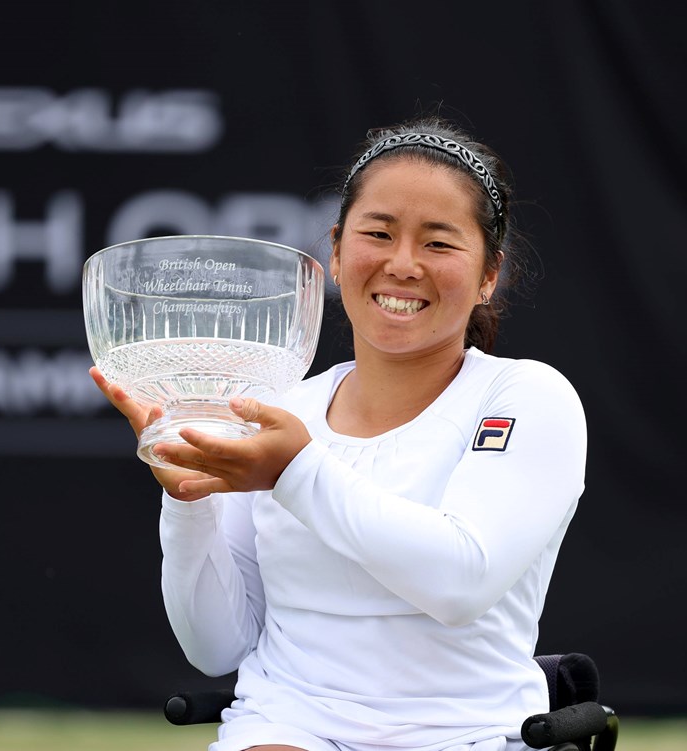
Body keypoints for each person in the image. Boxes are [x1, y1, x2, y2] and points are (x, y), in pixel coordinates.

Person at [90, 115, 587, 751]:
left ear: (490, 274)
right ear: (336, 251)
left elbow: (460, 582)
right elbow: (216, 646)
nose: (402, 264)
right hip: (283, 729)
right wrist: (189, 503)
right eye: (378, 233)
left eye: (439, 243)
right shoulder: (278, 411)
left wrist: (295, 471)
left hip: (469, 738)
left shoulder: (527, 398)